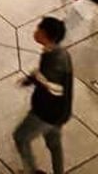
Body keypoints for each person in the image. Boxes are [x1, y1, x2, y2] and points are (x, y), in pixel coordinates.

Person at [13, 16, 72, 174]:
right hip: (59, 112)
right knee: (54, 143)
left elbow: (55, 88)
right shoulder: (56, 52)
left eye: (39, 29)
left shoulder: (56, 58)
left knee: (20, 137)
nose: (35, 31)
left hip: (46, 114)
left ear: (46, 34)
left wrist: (37, 78)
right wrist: (33, 78)